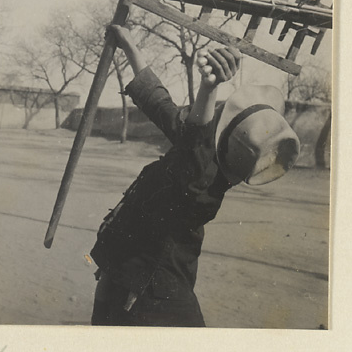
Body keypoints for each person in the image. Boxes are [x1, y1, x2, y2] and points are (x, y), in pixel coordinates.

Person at [90, 26, 300, 327]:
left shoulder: (201, 181)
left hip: (153, 296)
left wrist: (208, 86)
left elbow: (197, 138)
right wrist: (129, 45)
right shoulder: (200, 153)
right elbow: (158, 102)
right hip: (125, 278)